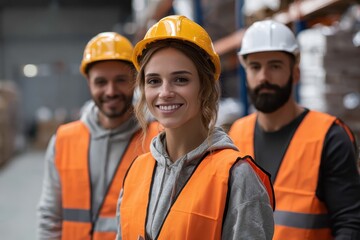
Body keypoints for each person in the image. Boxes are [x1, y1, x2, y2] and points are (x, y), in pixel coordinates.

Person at [116, 15, 275, 240]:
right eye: (153, 81)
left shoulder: (236, 178)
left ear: (205, 87)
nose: (165, 92)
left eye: (180, 79)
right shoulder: (136, 172)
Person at [228, 19, 360, 240]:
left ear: (295, 74)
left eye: (275, 66)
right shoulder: (236, 134)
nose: (263, 77)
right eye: (255, 67)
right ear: (246, 75)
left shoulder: (329, 135)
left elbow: (350, 224)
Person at [37, 32, 159, 239]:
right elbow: (50, 216)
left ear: (135, 81)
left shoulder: (157, 139)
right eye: (101, 82)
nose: (111, 91)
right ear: (89, 83)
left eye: (121, 80)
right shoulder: (64, 140)